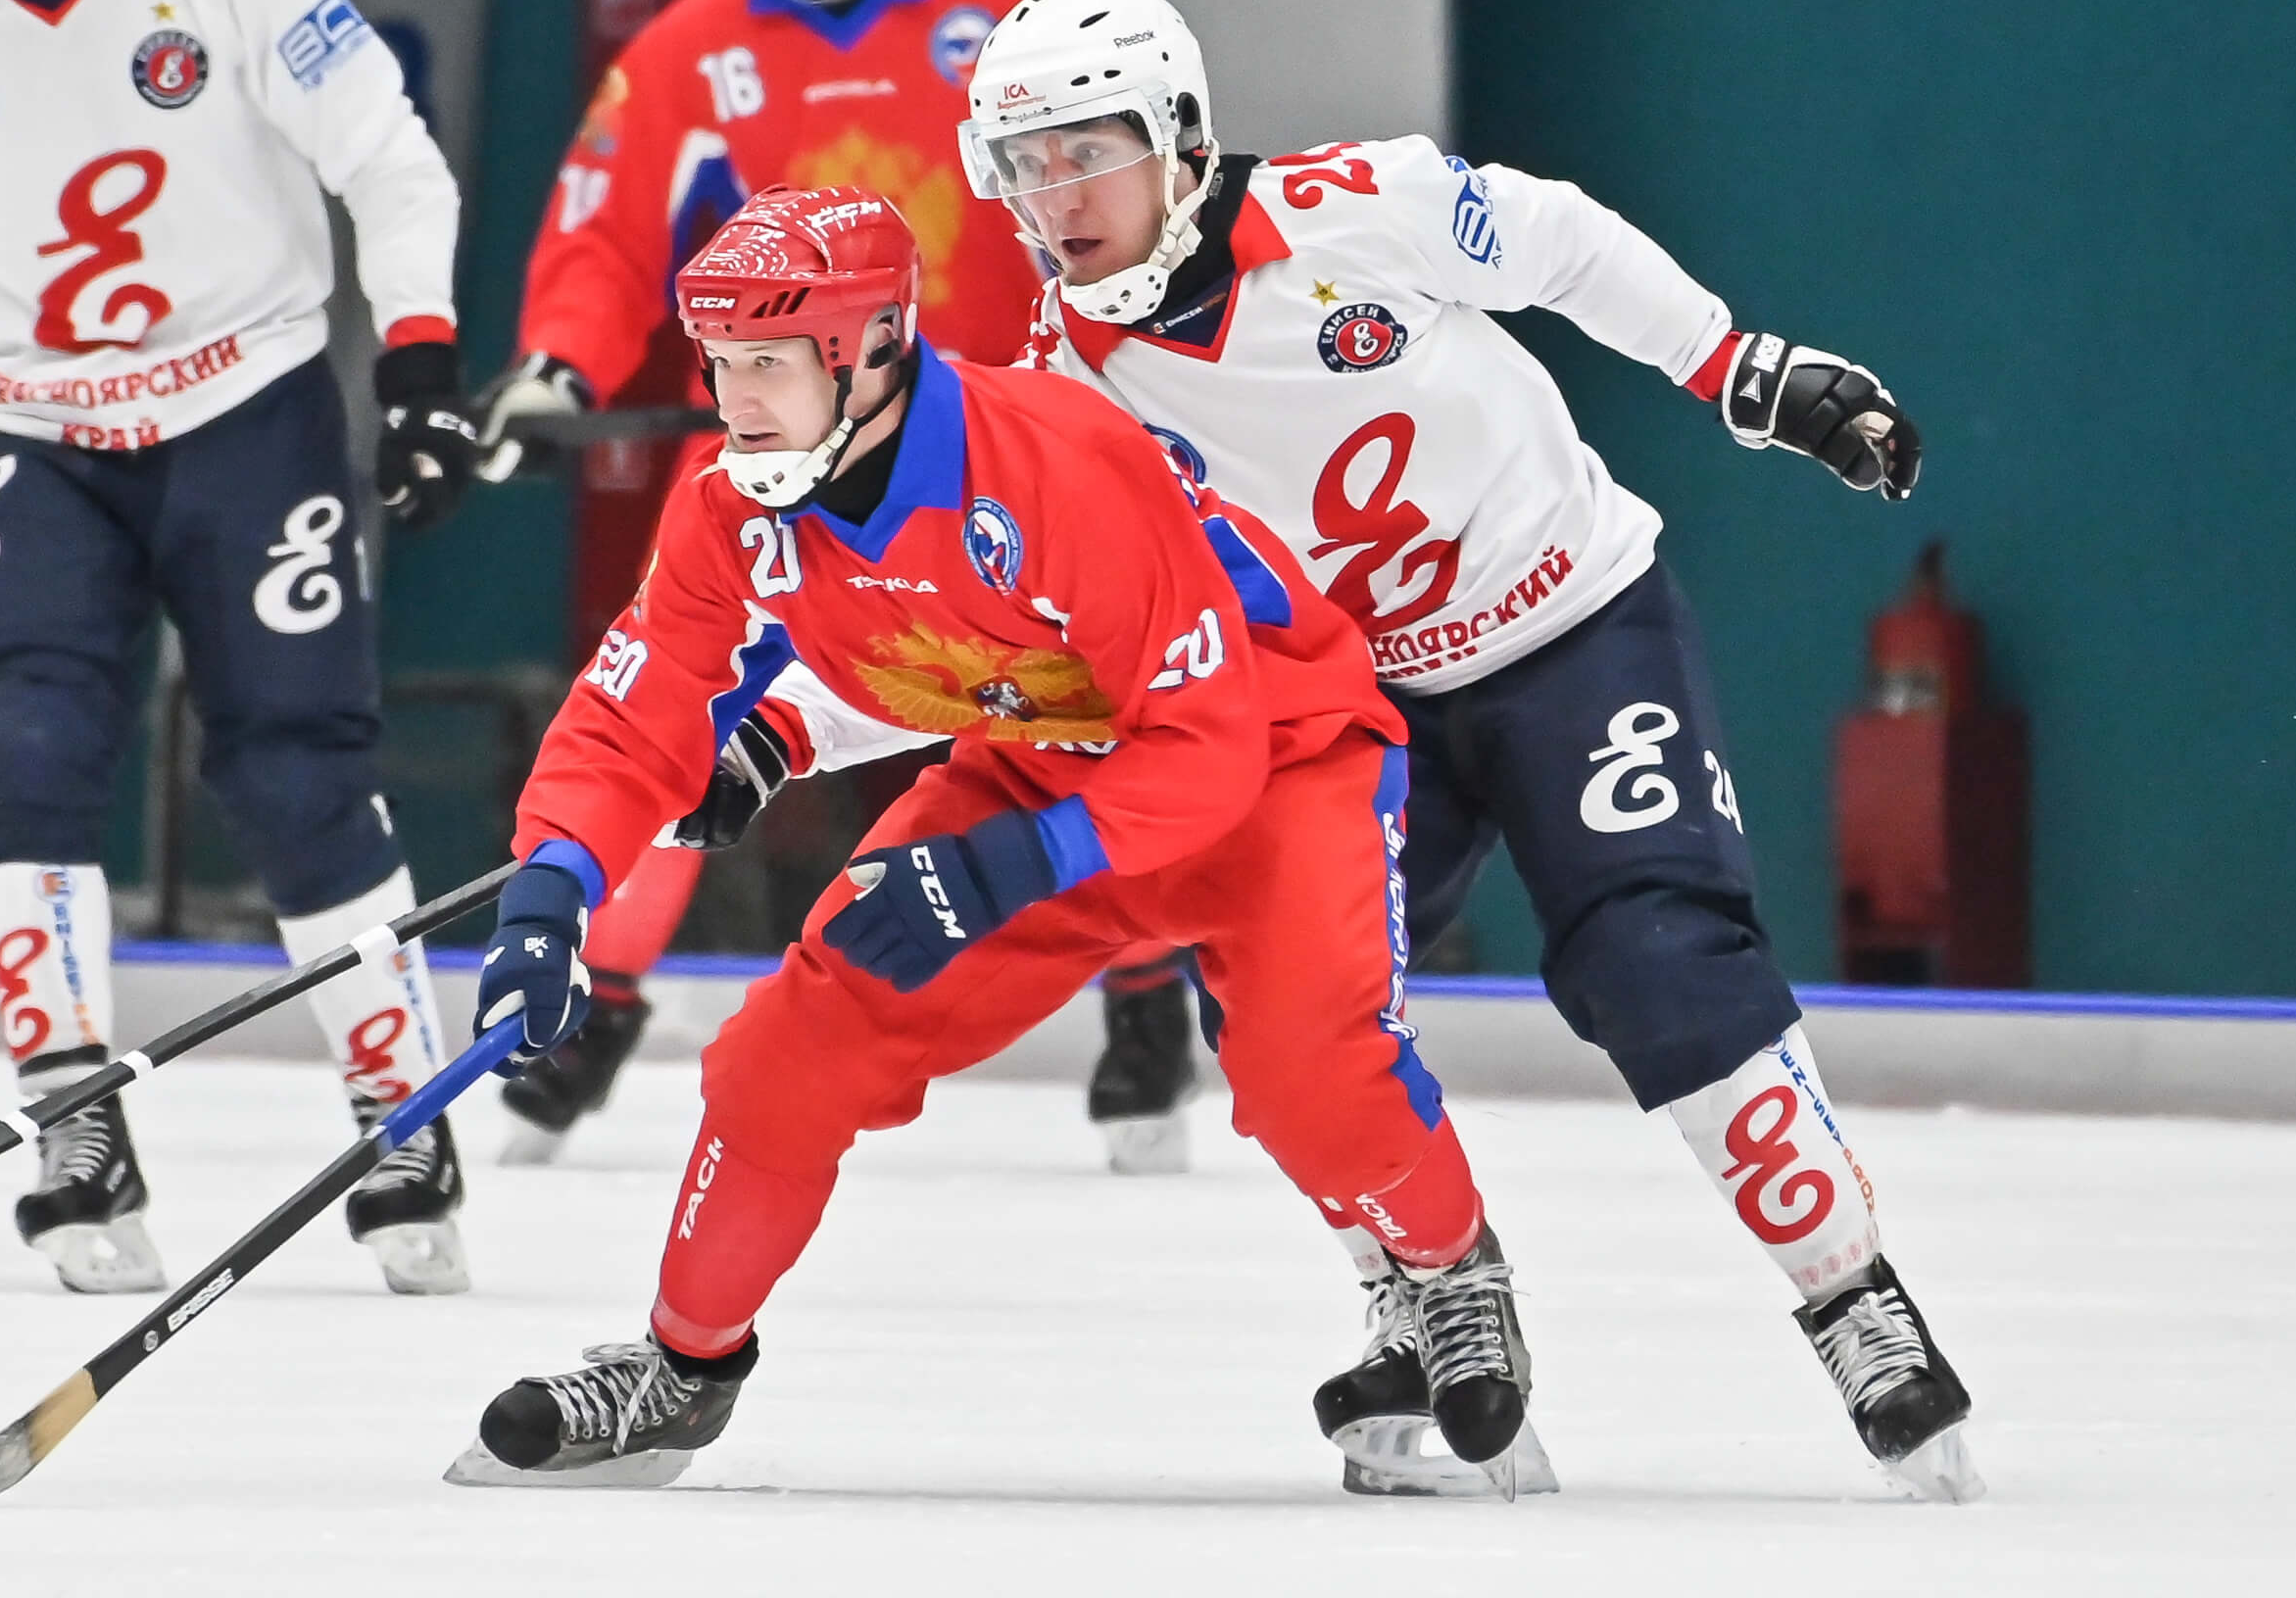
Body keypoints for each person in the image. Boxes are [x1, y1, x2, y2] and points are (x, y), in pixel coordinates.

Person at [966, 0, 1979, 1502]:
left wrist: (1743, 371)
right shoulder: (1057, 388)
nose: (1059, 198)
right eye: (1024, 166)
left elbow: (1560, 241)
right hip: (1352, 709)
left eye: (1086, 149)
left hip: (1568, 624)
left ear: (1179, 135)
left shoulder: (1350, 204)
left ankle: (1855, 1300)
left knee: (1658, 960)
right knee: (1286, 1021)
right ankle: (1424, 1294)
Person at [446, 185, 1548, 1498]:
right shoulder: (734, 503)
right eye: (721, 362)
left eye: (769, 363)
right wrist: (549, 893)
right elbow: (634, 713)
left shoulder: (1054, 463)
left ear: (867, 354)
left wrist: (997, 872)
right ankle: (681, 1370)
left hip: (1276, 759)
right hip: (1038, 760)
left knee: (1314, 1074)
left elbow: (1205, 747)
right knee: (790, 1051)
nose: (736, 400)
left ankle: (1449, 1268)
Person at [474, 0, 1203, 1172]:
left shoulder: (1009, 1)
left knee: (1100, 704)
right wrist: (559, 361)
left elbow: (1117, 193)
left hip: (1013, 442)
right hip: (793, 451)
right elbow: (606, 216)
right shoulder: (696, 39)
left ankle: (1144, 1009)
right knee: (684, 705)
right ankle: (595, 1002)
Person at [0, 0, 482, 1298]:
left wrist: (414, 362)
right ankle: (74, 1123)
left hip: (246, 414)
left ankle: (402, 1113)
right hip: (47, 438)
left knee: (293, 774)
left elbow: (390, 160)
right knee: (17, 759)